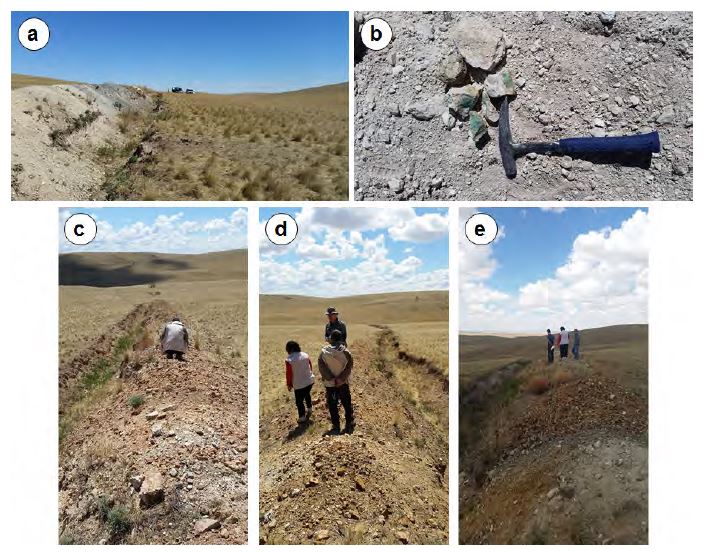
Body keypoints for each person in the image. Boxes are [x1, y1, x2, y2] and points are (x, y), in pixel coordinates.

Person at [318, 329, 354, 434]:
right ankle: (348, 423)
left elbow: (322, 367)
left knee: (332, 405)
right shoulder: (346, 352)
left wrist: (331, 378)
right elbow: (349, 367)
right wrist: (341, 378)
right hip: (342, 383)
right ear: (341, 339)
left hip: (330, 384)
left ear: (330, 339)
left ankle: (336, 426)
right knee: (346, 403)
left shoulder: (323, 352)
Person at [285, 340, 315, 424]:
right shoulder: (305, 355)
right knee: (307, 394)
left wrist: (289, 384)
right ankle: (309, 408)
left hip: (299, 384)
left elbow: (289, 374)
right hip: (309, 381)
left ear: (288, 349)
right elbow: (310, 366)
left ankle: (302, 417)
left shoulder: (289, 359)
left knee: (299, 401)